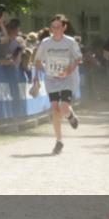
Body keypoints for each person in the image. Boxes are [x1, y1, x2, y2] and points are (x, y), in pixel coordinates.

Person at [32, 14, 82, 154]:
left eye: (58, 27)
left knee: (64, 107)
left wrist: (68, 70)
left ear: (64, 27)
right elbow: (37, 60)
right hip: (51, 79)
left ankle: (70, 115)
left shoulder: (70, 42)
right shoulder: (46, 43)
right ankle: (59, 141)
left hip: (67, 78)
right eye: (53, 27)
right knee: (54, 109)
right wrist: (36, 77)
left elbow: (78, 58)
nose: (55, 30)